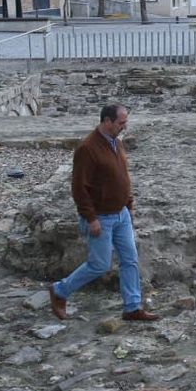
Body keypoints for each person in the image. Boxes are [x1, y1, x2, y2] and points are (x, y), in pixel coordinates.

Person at [46, 104, 159, 322]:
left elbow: (122, 175)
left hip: (121, 214)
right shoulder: (87, 148)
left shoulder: (117, 143)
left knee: (130, 260)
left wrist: (129, 203)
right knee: (99, 265)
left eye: (125, 122)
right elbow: (79, 188)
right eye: (121, 123)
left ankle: (132, 307)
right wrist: (91, 218)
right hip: (101, 217)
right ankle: (60, 290)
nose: (124, 127)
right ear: (107, 121)